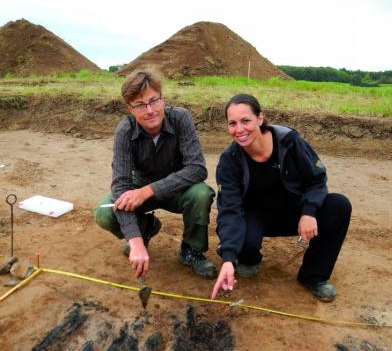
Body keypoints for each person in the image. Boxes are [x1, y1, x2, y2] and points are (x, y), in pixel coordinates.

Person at [211, 94, 351, 302]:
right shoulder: (229, 160)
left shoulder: (289, 141)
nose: (239, 130)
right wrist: (229, 258)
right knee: (245, 246)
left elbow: (316, 180)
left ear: (260, 118)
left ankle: (314, 276)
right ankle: (246, 256)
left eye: (246, 121)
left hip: (293, 212)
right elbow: (230, 209)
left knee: (338, 205)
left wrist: (309, 212)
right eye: (232, 123)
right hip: (254, 216)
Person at [94, 68, 217, 280]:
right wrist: (135, 241)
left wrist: (148, 191)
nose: (149, 110)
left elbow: (197, 168)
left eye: (154, 101)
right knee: (105, 213)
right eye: (140, 105)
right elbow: (121, 187)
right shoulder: (124, 131)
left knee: (201, 193)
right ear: (130, 108)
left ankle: (191, 251)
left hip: (178, 189)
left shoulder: (181, 118)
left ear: (163, 99)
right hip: (140, 185)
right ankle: (145, 229)